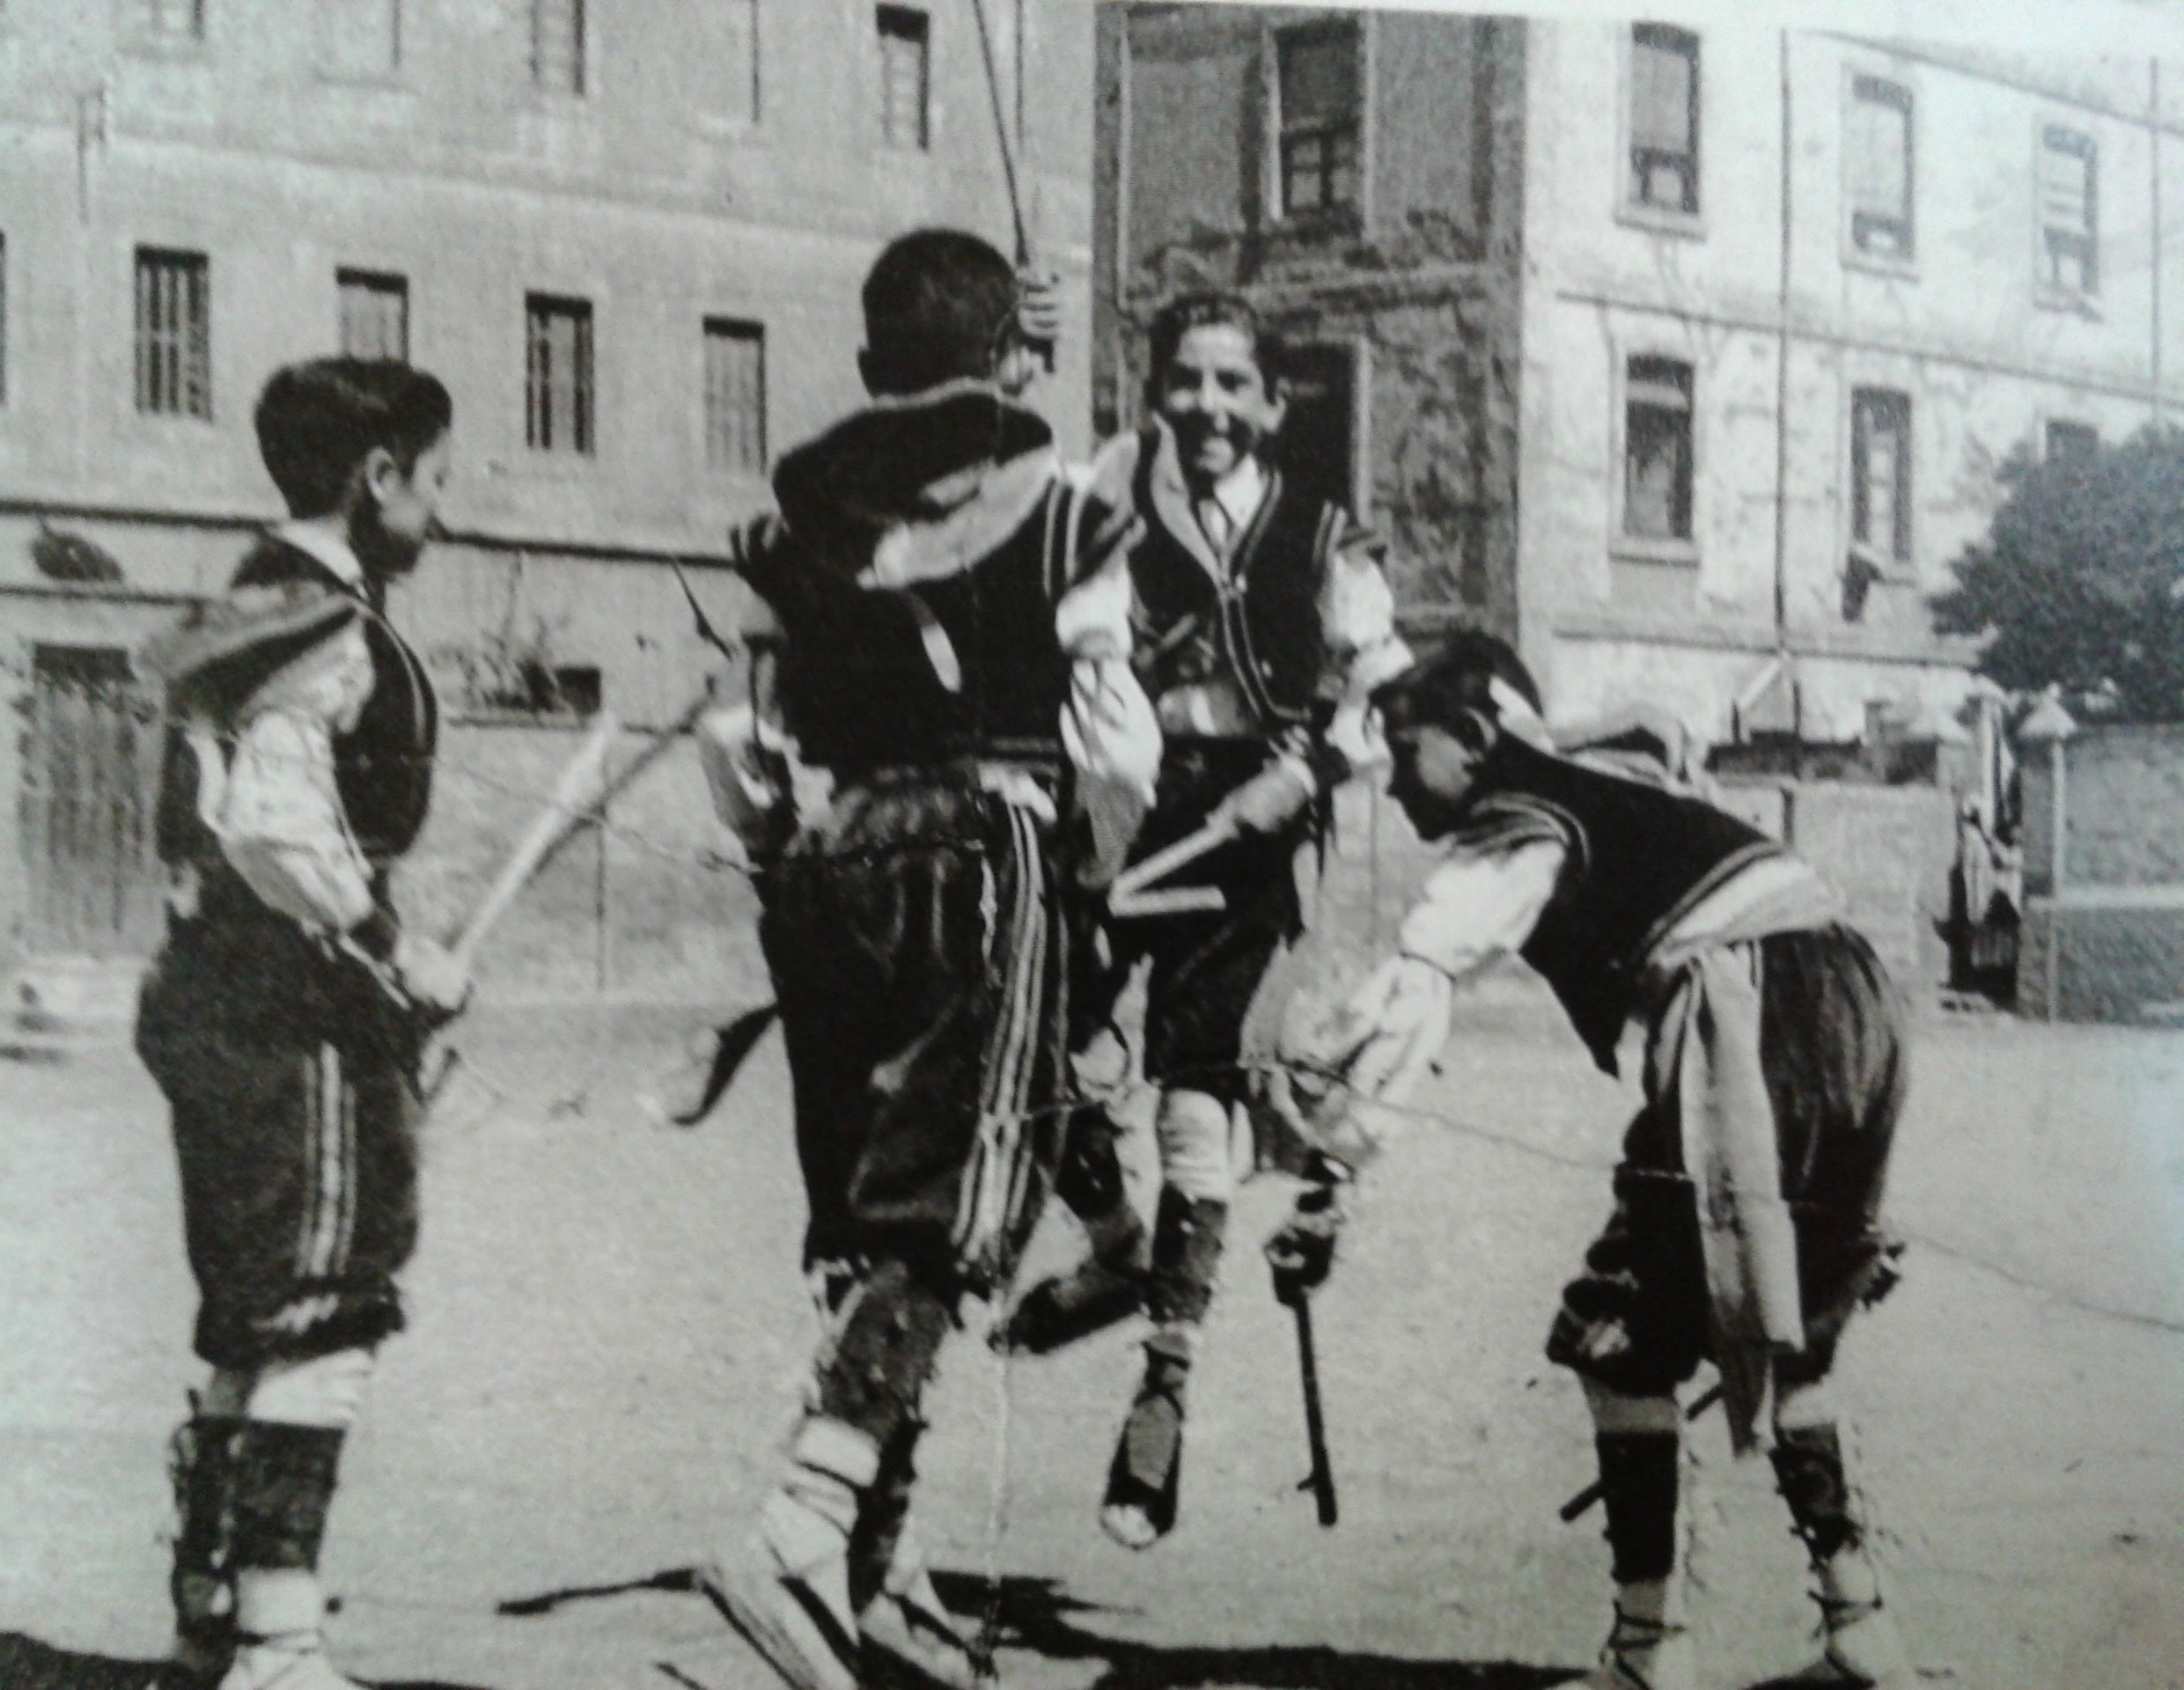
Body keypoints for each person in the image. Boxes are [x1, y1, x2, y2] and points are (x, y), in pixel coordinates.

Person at [1263, 632, 1913, 1690]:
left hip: (1750, 1021)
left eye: (1405, 746)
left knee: (1616, 1341)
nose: (1396, 783)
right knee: (1800, 1324)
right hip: (1855, 1000)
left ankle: (1649, 1653)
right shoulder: (1594, 770)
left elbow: (1418, 988)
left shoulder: (1511, 823)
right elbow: (1654, 731)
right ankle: (1859, 1624)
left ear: (1474, 739)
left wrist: (1327, 1181)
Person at [695, 227, 1158, 1690]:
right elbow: (1117, 738)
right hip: (986, 853)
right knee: (956, 1206)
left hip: (829, 862)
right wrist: (1088, 870)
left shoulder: (793, 532)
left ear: (867, 368)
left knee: (858, 1200)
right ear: (1005, 362)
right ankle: (806, 1523)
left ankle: (862, 1565)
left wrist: (802, 841)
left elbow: (737, 744)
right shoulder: (1064, 507)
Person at [995, 290, 1409, 1554]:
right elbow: (1026, 514)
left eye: (1234, 385)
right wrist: (1023, 368)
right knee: (1041, 1058)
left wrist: (1311, 769)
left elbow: (1373, 699)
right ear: (1152, 388)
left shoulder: (1327, 535)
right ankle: (1121, 1252)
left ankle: (1162, 1390)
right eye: (1186, 380)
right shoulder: (1111, 497)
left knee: (1192, 1095)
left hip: (1252, 852)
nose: (1209, 407)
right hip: (1120, 824)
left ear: (1274, 405)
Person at [135, 359, 468, 1690]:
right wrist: (397, 951)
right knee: (321, 1307)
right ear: (376, 478)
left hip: (219, 993)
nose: (446, 509)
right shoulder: (323, 622)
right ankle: (277, 1642)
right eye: (437, 480)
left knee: (250, 1305)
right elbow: (276, 824)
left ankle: (212, 1615)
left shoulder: (253, 597)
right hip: (298, 1010)